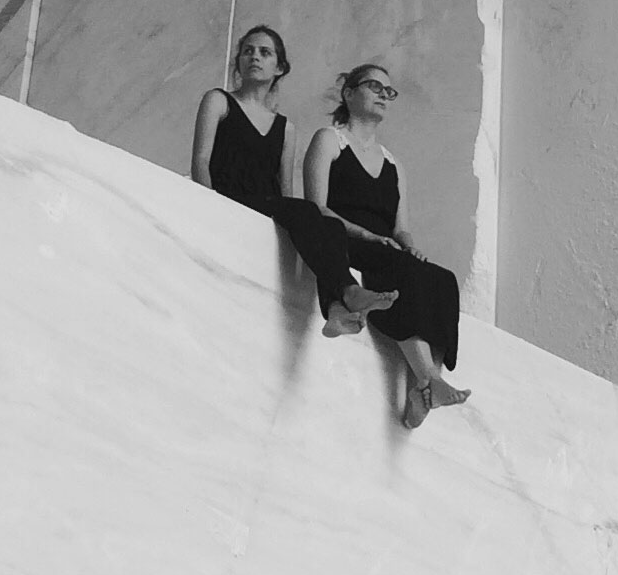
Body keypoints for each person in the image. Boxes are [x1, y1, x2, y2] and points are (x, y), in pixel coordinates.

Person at [192, 27, 400, 340]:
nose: (254, 57)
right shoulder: (218, 101)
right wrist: (208, 204)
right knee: (309, 212)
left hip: (264, 206)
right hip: (227, 197)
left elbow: (284, 190)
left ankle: (338, 308)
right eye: (248, 51)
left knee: (323, 222)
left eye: (264, 52)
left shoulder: (285, 127)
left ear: (279, 68)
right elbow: (201, 161)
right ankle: (349, 292)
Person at [303, 63, 468, 427]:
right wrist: (366, 235)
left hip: (385, 247)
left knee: (441, 278)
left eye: (388, 91)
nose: (382, 95)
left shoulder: (393, 163)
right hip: (343, 237)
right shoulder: (329, 140)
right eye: (374, 86)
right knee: (405, 272)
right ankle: (429, 379)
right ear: (349, 93)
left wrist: (410, 246)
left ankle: (422, 389)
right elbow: (316, 207)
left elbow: (401, 228)